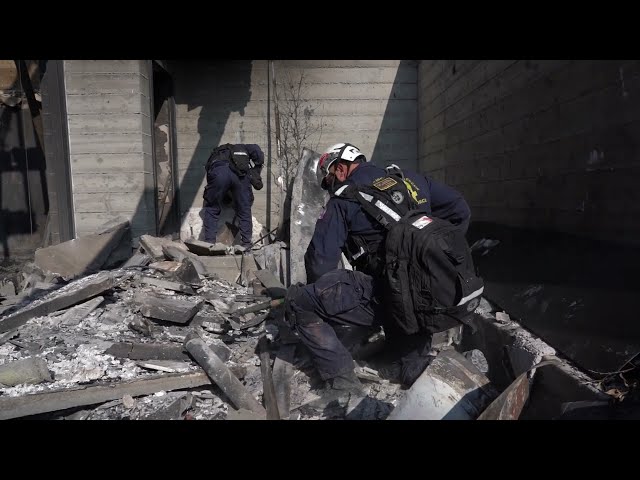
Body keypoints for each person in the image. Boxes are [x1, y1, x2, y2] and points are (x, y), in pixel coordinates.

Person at [284, 142, 472, 395]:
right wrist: (436, 258)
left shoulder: (344, 200)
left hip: (392, 298)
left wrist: (325, 299)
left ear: (340, 169)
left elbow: (320, 262)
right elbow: (460, 210)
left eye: (328, 181)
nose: (330, 188)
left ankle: (344, 386)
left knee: (300, 302)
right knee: (408, 366)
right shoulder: (410, 179)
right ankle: (432, 379)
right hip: (433, 294)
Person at [202, 143, 264, 248]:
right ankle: (246, 244)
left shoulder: (215, 154)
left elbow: (213, 180)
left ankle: (209, 243)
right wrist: (256, 169)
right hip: (240, 173)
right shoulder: (244, 147)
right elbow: (257, 151)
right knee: (244, 210)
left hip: (219, 172)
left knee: (211, 207)